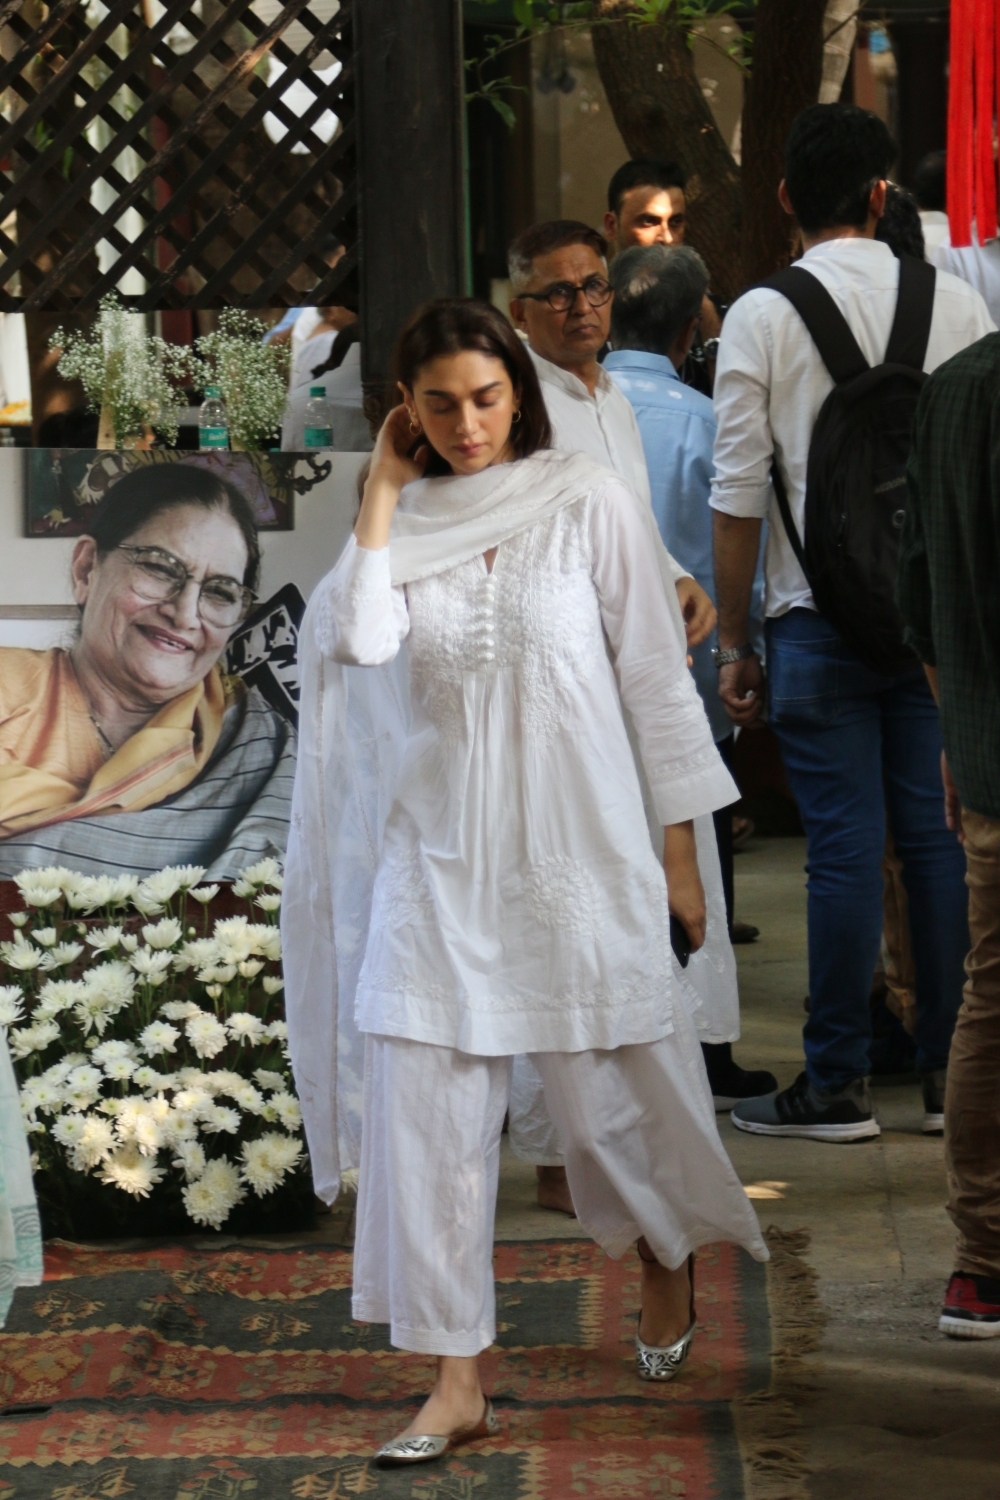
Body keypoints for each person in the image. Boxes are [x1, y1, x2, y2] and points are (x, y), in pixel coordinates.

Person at [283, 298, 767, 1465]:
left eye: (486, 398)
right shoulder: (396, 529)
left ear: (521, 392)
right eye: (438, 404)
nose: (466, 424)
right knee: (426, 1113)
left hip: (579, 843)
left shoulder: (585, 502)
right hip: (438, 854)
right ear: (404, 408)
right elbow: (349, 645)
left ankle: (662, 1253)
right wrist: (383, 500)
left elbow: (656, 684)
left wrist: (676, 860)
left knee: (609, 1103)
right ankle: (459, 1377)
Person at [710, 102, 995, 1142]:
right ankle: (945, 1074)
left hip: (810, 618)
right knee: (934, 840)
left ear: (785, 196)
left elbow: (737, 495)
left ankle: (830, 1083)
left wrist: (735, 641)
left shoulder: (760, 314)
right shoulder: (957, 303)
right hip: (932, 627)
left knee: (839, 849)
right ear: (882, 197)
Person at [507, 218, 726, 1207]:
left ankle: (624, 1129)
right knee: (568, 912)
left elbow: (631, 526)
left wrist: (677, 579)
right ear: (519, 308)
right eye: (558, 292)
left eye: (593, 287)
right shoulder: (511, 405)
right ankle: (563, 1148)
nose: (581, 306)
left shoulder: (611, 398)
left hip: (632, 675)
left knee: (637, 905)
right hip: (559, 692)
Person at [604, 241, 776, 1109]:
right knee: (698, 846)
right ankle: (703, 1048)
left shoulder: (575, 409)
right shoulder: (698, 419)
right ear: (691, 325)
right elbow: (730, 542)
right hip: (683, 665)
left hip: (594, 672)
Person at [0, 465, 294, 878]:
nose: (185, 614)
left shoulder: (258, 742)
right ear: (87, 569)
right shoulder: (6, 689)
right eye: (160, 568)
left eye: (221, 592)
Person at [898, 330, 1000, 1337]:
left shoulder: (957, 386)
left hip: (984, 748)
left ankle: (982, 1259)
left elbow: (920, 593)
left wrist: (955, 727)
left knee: (993, 996)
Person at [603, 159, 724, 393]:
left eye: (676, 222)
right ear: (611, 225)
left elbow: (732, 411)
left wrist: (708, 323)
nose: (666, 238)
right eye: (648, 221)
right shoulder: (587, 310)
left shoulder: (715, 316)